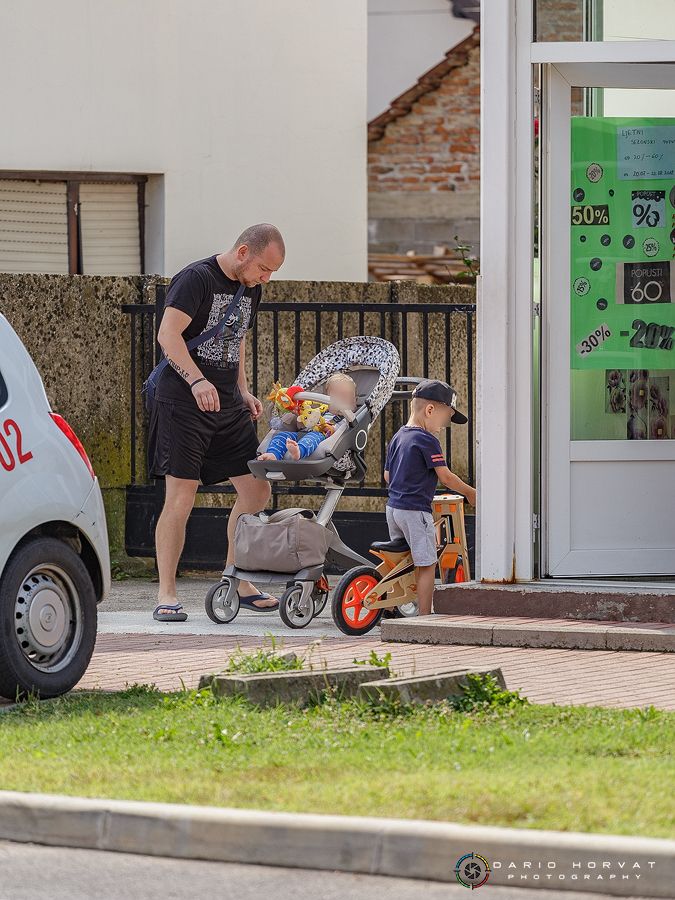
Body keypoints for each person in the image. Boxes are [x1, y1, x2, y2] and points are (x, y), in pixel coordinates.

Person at [149, 224, 285, 622]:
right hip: (183, 398)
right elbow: (167, 334)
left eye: (272, 272)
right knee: (181, 497)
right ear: (243, 251)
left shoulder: (251, 288)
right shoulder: (196, 278)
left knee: (256, 490)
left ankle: (236, 579)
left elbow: (236, 336)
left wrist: (241, 389)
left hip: (225, 401)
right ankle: (166, 593)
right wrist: (196, 380)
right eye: (264, 268)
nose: (266, 278)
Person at [383, 380, 477, 617]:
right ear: (430, 410)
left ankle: (389, 606)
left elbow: (387, 475)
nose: (444, 425)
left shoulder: (398, 437)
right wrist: (470, 492)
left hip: (393, 508)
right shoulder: (427, 440)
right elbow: (445, 477)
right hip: (415, 511)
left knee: (402, 560)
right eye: (446, 419)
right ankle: (425, 615)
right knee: (426, 564)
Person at [258, 373, 357, 461]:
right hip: (303, 433)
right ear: (327, 398)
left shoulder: (347, 418)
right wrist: (301, 419)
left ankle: (298, 452)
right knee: (282, 436)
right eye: (338, 395)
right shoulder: (320, 410)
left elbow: (340, 432)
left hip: (321, 436)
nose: (343, 399)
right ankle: (273, 454)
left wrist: (347, 411)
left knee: (312, 438)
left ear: (353, 400)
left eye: (347, 395)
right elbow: (302, 424)